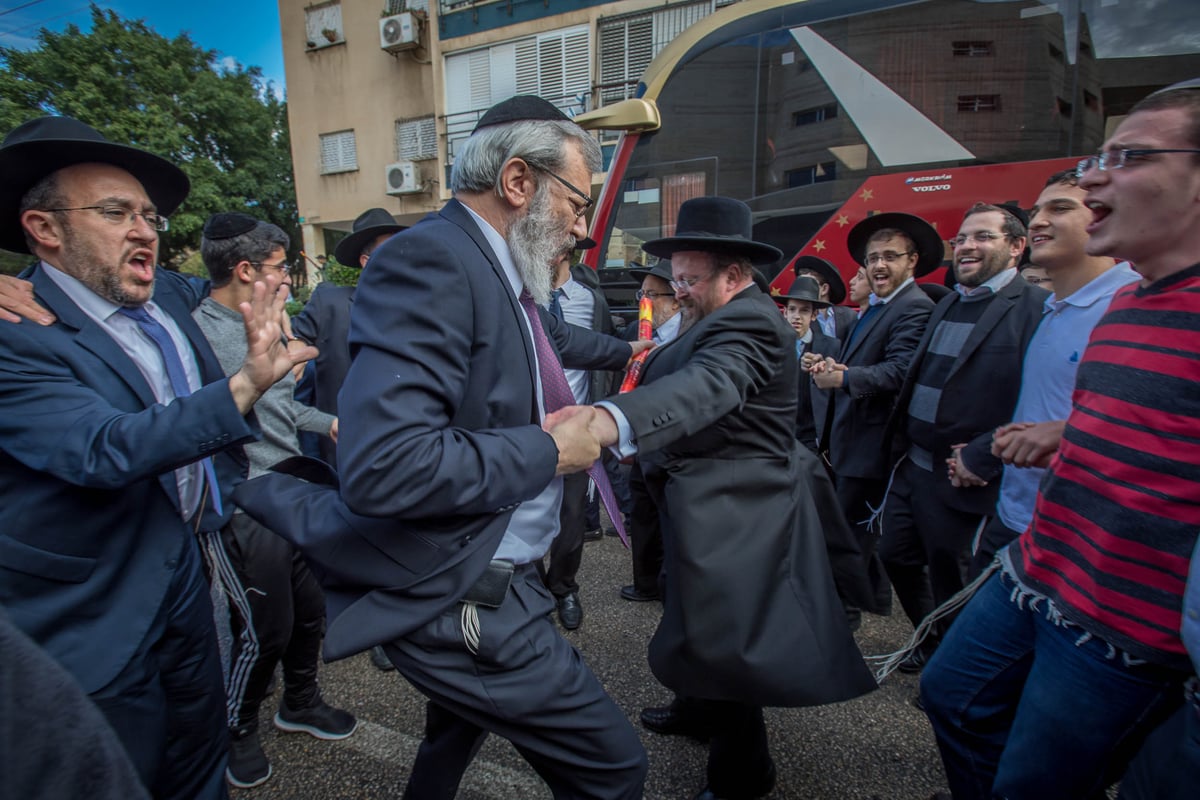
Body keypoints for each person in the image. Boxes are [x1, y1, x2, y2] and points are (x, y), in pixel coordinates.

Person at [232, 95, 649, 800]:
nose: (581, 231)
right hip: (469, 590)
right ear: (519, 182)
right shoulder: (434, 257)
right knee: (614, 768)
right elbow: (386, 467)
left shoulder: (505, 277)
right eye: (578, 206)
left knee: (451, 733)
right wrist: (549, 452)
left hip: (492, 571)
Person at [0, 115, 311, 799]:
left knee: (199, 762)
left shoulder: (169, 293)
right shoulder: (15, 331)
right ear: (45, 229)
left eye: (148, 215)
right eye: (116, 213)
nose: (145, 230)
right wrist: (245, 386)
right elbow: (102, 448)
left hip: (185, 574)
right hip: (93, 606)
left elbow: (235, 293)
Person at [919, 79, 1200, 800]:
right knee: (951, 697)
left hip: (1123, 628)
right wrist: (1069, 431)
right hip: (1036, 571)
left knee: (1035, 782)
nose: (1095, 174)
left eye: (1130, 156)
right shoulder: (1129, 303)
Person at [585, 196, 876, 799]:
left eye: (691, 280)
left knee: (730, 643)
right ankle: (696, 708)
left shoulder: (748, 322)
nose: (680, 290)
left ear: (735, 276)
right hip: (701, 501)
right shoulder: (710, 315)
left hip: (741, 510)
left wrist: (610, 420)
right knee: (691, 614)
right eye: (678, 278)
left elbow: (707, 385)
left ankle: (743, 775)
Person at [193, 212, 356, 788]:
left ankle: (300, 703)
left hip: (291, 489)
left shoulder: (273, 323)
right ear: (245, 271)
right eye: (281, 267)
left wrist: (328, 421)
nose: (289, 277)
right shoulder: (198, 335)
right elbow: (196, 425)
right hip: (245, 504)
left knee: (310, 612)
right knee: (265, 628)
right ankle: (236, 727)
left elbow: (281, 409)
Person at [878, 202, 1048, 672]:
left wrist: (986, 455)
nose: (968, 246)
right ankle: (930, 642)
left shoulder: (1034, 310)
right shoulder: (949, 300)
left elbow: (1036, 402)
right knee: (895, 554)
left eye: (983, 237)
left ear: (1017, 247)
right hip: (912, 465)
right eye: (963, 238)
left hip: (962, 478)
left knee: (952, 576)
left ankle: (951, 664)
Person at [975, 170, 1138, 575]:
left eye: (1060, 208)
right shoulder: (1051, 309)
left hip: (1078, 541)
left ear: (1102, 215)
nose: (1038, 221)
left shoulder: (1130, 305)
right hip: (1014, 518)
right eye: (1036, 211)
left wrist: (1067, 434)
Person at [811, 212, 937, 628]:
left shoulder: (913, 307)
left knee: (850, 541)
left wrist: (844, 377)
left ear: (912, 261)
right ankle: (867, 608)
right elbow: (863, 363)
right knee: (857, 540)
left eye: (890, 257)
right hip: (853, 444)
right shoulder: (877, 307)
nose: (879, 265)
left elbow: (900, 371)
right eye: (873, 258)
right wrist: (831, 363)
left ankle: (841, 622)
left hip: (874, 448)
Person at [539, 243, 619, 630]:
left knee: (572, 520)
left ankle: (564, 588)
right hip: (530, 428)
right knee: (524, 513)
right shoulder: (521, 296)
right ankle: (532, 591)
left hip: (577, 428)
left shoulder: (591, 301)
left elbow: (604, 354)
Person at [290, 207, 405, 467]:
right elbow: (294, 337)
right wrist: (295, 341)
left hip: (400, 446)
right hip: (342, 443)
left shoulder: (415, 306)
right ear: (366, 261)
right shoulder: (330, 302)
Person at [618, 259, 682, 603]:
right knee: (640, 512)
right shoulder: (635, 334)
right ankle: (645, 582)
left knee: (670, 517)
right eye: (640, 294)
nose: (643, 302)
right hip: (641, 443)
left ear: (675, 300)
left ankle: (671, 587)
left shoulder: (689, 336)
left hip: (673, 445)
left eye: (651, 295)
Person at [778, 268, 836, 454]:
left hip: (812, 440)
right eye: (792, 309)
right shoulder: (771, 347)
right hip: (777, 435)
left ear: (813, 315)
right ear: (785, 312)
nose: (797, 316)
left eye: (804, 311)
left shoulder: (831, 348)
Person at [793, 252, 857, 341]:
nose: (803, 288)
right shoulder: (797, 318)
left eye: (809, 284)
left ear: (824, 289)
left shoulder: (849, 316)